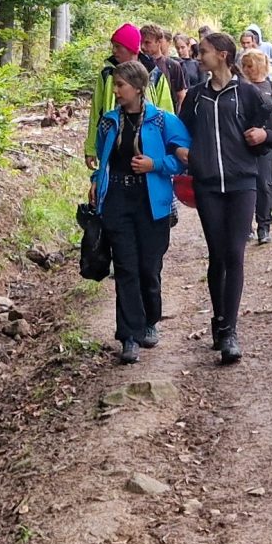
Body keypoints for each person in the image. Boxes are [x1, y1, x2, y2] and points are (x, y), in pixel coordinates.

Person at [178, 31, 272, 364]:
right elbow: (179, 134)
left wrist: (264, 135)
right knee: (217, 255)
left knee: (234, 254)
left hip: (242, 184)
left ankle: (230, 331)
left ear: (222, 55)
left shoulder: (248, 93)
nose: (198, 57)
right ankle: (219, 320)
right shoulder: (196, 96)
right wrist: (181, 152)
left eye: (203, 52)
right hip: (208, 186)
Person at [91, 61, 191, 364]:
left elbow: (184, 161)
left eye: (121, 85)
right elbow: (103, 158)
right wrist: (96, 181)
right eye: (115, 85)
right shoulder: (109, 122)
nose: (116, 91)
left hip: (151, 202)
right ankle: (129, 336)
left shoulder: (163, 121)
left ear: (137, 88)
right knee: (125, 267)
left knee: (149, 267)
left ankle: (150, 321)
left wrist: (155, 165)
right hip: (117, 200)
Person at [85, 23, 166, 163]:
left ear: (131, 48)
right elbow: (96, 112)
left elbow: (166, 112)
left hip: (148, 142)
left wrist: (165, 150)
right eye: (113, 46)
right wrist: (91, 148)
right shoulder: (107, 74)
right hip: (113, 138)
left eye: (118, 46)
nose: (114, 51)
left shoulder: (154, 74)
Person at [238, 48, 272, 244]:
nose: (246, 70)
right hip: (243, 143)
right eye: (244, 66)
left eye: (250, 66)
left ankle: (264, 226)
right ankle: (245, 226)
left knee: (265, 183)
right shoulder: (239, 88)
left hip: (268, 143)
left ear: (260, 66)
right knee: (244, 184)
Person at [141, 23, 186, 109]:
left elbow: (181, 96)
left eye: (147, 43)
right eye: (141, 42)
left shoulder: (172, 66)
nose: (142, 47)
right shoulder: (138, 65)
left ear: (159, 42)